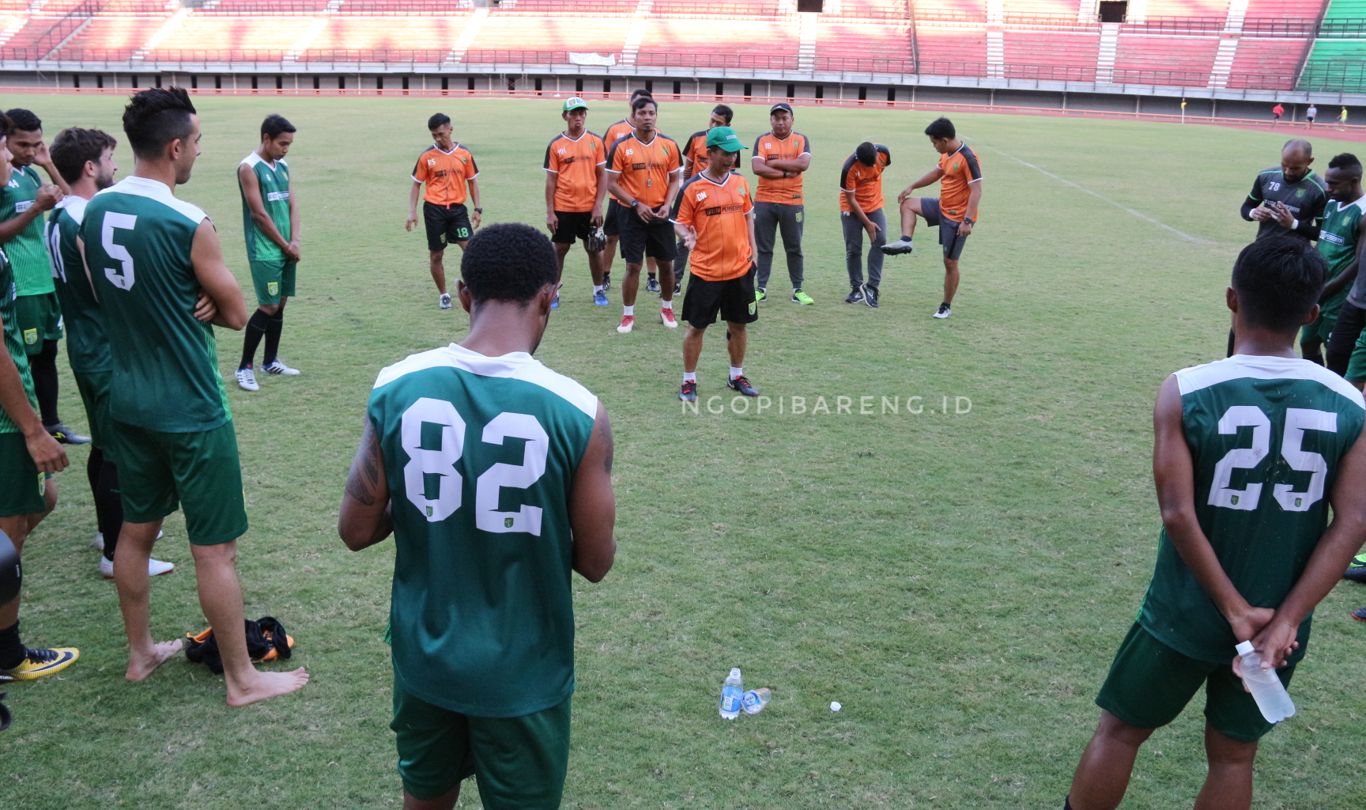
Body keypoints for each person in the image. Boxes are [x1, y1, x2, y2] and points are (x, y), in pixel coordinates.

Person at [1065, 235, 1366, 810]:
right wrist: (1284, 625)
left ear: (1232, 299)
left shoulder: (1186, 389)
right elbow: (1352, 523)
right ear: (1311, 313)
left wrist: (1231, 609)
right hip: (1279, 624)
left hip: (1184, 612)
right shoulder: (1349, 403)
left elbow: (1178, 513)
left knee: (1120, 732)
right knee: (1233, 757)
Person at [338, 222, 616, 809]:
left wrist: (429, 503)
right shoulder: (579, 411)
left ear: (463, 294)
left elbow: (356, 529)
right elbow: (595, 562)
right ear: (551, 295)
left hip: (425, 656)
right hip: (523, 671)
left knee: (425, 797)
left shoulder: (396, 385)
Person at [81, 87, 308, 705]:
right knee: (215, 550)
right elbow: (238, 313)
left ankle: (140, 655)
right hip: (189, 407)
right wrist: (202, 302)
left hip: (125, 401)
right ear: (176, 147)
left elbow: (107, 293)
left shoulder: (94, 211)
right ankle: (242, 679)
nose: (199, 155)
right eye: (198, 144)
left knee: (135, 533)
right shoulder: (187, 220)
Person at [46, 126, 174, 579]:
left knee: (104, 445)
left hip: (83, 345)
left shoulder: (61, 214)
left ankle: (108, 533)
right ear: (89, 167)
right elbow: (105, 292)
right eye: (108, 158)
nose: (115, 166)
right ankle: (116, 552)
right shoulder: (86, 220)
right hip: (103, 349)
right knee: (118, 451)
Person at [0, 111, 76, 682]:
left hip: (14, 404)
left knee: (39, 502)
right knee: (17, 519)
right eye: (5, 150)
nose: (13, 157)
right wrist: (31, 428)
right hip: (7, 418)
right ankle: (8, 656)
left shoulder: (28, 177)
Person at [0, 107, 87, 445]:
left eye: (37, 144)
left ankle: (51, 425)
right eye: (23, 145)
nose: (29, 152)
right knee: (24, 358)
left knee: (47, 353)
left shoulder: (31, 173)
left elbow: (72, 201)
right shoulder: (4, 178)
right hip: (19, 284)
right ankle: (27, 430)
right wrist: (36, 209)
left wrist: (47, 162)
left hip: (44, 279)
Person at [673, 127, 760, 402]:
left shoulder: (741, 183)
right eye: (725, 153)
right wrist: (687, 236)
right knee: (696, 328)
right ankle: (689, 381)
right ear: (709, 153)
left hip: (739, 270)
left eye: (734, 153)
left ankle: (736, 375)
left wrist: (754, 254)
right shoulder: (692, 188)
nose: (731, 158)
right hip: (706, 272)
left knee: (739, 325)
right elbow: (679, 222)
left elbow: (748, 217)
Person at [882, 117, 983, 320]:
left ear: (944, 140)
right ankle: (906, 241)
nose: (934, 146)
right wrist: (912, 186)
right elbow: (936, 173)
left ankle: (946, 306)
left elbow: (977, 191)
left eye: (934, 143)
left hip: (957, 218)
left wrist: (968, 221)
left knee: (950, 263)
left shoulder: (968, 158)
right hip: (941, 206)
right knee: (908, 204)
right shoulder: (947, 154)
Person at [599, 94, 682, 333]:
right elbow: (612, 183)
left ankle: (667, 308)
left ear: (656, 116)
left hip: (661, 213)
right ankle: (628, 315)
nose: (647, 118)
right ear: (633, 117)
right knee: (633, 266)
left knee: (666, 264)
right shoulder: (621, 146)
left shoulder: (668, 144)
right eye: (642, 114)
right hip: (632, 214)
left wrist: (668, 204)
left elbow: (675, 179)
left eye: (651, 113)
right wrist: (636, 204)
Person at [235, 114, 301, 392]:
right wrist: (285, 245)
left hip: (288, 247)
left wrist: (295, 239)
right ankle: (244, 368)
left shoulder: (282, 165)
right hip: (265, 249)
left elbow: (292, 204)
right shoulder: (248, 168)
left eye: (289, 144)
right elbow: (259, 214)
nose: (286, 149)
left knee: (281, 303)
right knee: (269, 305)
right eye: (282, 143)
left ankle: (270, 361)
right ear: (266, 138)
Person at [406, 113, 481, 311]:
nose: (438, 139)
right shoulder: (426, 157)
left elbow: (472, 182)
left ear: (450, 129)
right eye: (434, 136)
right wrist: (412, 212)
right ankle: (444, 294)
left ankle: (473, 290)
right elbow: (416, 185)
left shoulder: (464, 154)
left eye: (440, 134)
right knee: (436, 255)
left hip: (457, 211)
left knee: (471, 250)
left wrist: (477, 208)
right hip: (434, 211)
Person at [1300, 153, 1365, 367]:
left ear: (1354, 182)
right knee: (1307, 343)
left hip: (1340, 298)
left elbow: (1358, 264)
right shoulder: (1331, 204)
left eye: (1334, 184)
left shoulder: (1363, 214)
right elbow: (1322, 241)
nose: (1328, 188)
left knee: (1335, 353)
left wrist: (1325, 289)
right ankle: (1318, 387)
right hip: (1319, 290)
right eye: (1327, 182)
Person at [543, 97, 607, 307]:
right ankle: (554, 291)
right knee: (559, 249)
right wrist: (550, 212)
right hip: (564, 207)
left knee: (594, 248)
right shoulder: (556, 145)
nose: (578, 117)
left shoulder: (596, 142)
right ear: (565, 116)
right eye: (574, 113)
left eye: (582, 113)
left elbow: (602, 176)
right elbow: (551, 180)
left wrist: (598, 205)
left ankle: (598, 290)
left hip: (589, 208)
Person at [751, 102, 813, 306]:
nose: (780, 122)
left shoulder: (801, 139)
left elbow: (803, 164)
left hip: (792, 201)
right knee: (763, 247)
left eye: (784, 118)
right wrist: (787, 171)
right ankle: (761, 288)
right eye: (776, 118)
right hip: (764, 201)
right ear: (771, 120)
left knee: (794, 247)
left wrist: (774, 163)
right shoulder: (762, 140)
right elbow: (757, 167)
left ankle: (798, 289)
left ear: (792, 119)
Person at [601, 89, 656, 294]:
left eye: (648, 107)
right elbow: (605, 162)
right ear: (631, 107)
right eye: (639, 106)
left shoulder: (652, 131)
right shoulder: (615, 130)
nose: (645, 114)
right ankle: (605, 275)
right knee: (611, 237)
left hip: (645, 198)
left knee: (650, 239)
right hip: (619, 197)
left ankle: (652, 278)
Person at [677, 103, 733, 295]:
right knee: (685, 238)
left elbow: (731, 174)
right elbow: (688, 168)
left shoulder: (729, 144)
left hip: (717, 200)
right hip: (695, 197)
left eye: (718, 123)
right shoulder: (696, 138)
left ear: (727, 125)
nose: (712, 125)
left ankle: (721, 277)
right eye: (711, 120)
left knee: (717, 237)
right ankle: (676, 280)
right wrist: (684, 191)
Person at [838, 141, 890, 308]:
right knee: (854, 248)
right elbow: (851, 199)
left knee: (880, 241)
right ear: (859, 160)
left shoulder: (884, 153)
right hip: (851, 207)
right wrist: (867, 223)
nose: (873, 167)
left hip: (874, 204)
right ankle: (856, 288)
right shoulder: (849, 168)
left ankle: (872, 287)